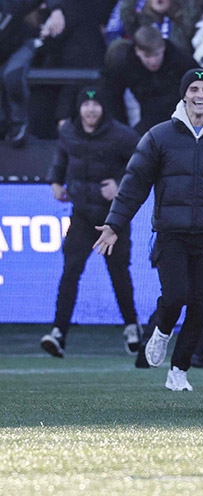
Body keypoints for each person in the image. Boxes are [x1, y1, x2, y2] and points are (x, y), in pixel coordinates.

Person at [93, 69, 203, 394]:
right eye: (194, 89)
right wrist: (114, 224)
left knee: (201, 304)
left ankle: (179, 369)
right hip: (170, 234)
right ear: (184, 94)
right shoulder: (160, 136)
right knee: (175, 296)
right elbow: (133, 184)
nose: (200, 95)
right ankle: (161, 331)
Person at [40, 88, 140, 358]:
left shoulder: (122, 135)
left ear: (104, 108)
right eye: (86, 104)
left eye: (96, 104)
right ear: (79, 108)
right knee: (70, 272)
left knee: (119, 273)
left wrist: (119, 184)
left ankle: (132, 327)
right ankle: (58, 332)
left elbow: (141, 165)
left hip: (113, 219)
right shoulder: (68, 132)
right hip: (81, 215)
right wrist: (55, 181)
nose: (91, 109)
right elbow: (61, 157)